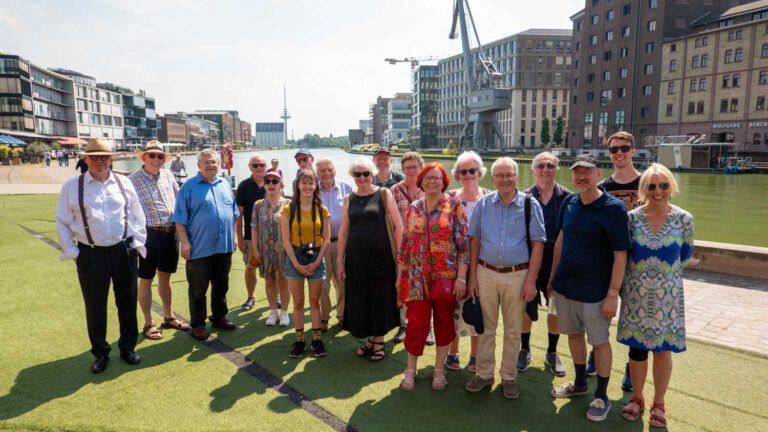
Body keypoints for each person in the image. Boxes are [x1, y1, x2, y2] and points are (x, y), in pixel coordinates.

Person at [548, 154, 631, 422]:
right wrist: (552, 279)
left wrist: (612, 294)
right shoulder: (570, 202)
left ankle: (602, 395)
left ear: (598, 174)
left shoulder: (613, 208)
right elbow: (561, 240)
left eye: (587, 172)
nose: (581, 177)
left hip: (596, 291)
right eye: (576, 172)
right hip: (565, 286)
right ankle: (581, 383)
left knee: (599, 342)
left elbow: (621, 254)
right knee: (573, 335)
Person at [56, 138, 147, 374]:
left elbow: (137, 215)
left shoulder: (124, 183)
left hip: (123, 251)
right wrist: (75, 254)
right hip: (90, 254)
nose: (99, 161)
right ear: (85, 159)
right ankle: (100, 352)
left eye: (104, 156)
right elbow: (62, 223)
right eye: (94, 156)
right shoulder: (71, 186)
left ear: (111, 159)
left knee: (127, 302)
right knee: (95, 306)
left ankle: (127, 347)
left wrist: (136, 243)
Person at [618, 164, 694, 428]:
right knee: (637, 349)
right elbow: (625, 255)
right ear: (644, 189)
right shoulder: (632, 219)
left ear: (671, 185)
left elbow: (684, 255)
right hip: (636, 295)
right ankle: (637, 397)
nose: (658, 191)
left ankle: (659, 402)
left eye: (663, 185)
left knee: (663, 350)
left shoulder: (684, 220)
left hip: (667, 298)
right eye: (651, 186)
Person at [464, 157, 545, 400]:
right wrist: (472, 278)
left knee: (512, 330)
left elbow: (538, 244)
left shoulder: (530, 204)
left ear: (517, 177)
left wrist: (531, 281)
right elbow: (474, 240)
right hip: (485, 272)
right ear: (493, 178)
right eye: (499, 175)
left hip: (517, 275)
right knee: (486, 328)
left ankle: (508, 376)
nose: (505, 179)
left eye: (509, 174)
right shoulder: (483, 204)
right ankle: (484, 373)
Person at [397, 162, 468, 390]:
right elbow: (406, 243)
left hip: (445, 277)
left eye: (436, 178)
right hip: (417, 278)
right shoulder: (414, 208)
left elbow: (463, 246)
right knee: (416, 324)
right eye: (427, 178)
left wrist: (462, 278)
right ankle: (410, 370)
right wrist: (401, 275)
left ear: (444, 181)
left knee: (444, 323)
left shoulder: (455, 206)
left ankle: (439, 370)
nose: (432, 182)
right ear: (420, 181)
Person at [586, 131, 642, 388]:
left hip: (639, 261)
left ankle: (632, 366)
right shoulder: (604, 187)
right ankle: (595, 354)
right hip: (606, 260)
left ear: (633, 150)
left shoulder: (648, 183)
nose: (619, 153)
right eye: (614, 149)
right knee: (600, 309)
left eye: (624, 148)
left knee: (633, 315)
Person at [337, 158, 402, 362]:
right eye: (358, 174)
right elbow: (343, 232)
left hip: (381, 257)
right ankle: (371, 340)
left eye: (366, 173)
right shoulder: (349, 198)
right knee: (361, 297)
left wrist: (400, 257)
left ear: (372, 174)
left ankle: (379, 340)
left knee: (380, 297)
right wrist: (340, 260)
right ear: (353, 177)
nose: (363, 178)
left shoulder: (384, 193)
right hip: (356, 258)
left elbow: (399, 226)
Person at [172, 149, 239, 341]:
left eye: (213, 162)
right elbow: (179, 219)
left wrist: (234, 236)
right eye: (206, 162)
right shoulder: (189, 187)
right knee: (198, 289)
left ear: (219, 163)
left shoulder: (224, 184)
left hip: (224, 247)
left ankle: (219, 317)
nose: (210, 165)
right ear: (199, 165)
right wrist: (184, 242)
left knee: (221, 285)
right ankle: (198, 324)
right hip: (199, 248)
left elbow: (234, 214)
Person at [129, 141, 189, 342]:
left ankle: (168, 316)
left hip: (170, 233)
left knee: (166, 276)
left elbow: (179, 199)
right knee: (146, 278)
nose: (156, 159)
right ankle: (148, 322)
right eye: (152, 155)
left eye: (160, 156)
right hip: (149, 234)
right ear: (144, 157)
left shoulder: (168, 174)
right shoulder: (132, 180)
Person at [519, 152, 572, 377]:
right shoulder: (525, 197)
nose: (546, 169)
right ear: (534, 170)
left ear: (556, 169)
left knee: (555, 307)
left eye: (550, 165)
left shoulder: (568, 198)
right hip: (531, 258)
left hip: (557, 259)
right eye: (541, 165)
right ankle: (524, 348)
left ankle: (551, 352)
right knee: (526, 305)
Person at [446, 150, 491, 373]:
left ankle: (475, 356)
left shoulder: (490, 197)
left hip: (484, 263)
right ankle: (452, 353)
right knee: (453, 308)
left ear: (480, 172)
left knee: (477, 309)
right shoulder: (451, 198)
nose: (468, 175)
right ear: (458, 174)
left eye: (472, 170)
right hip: (455, 264)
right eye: (463, 171)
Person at [280, 169, 331, 358]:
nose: (308, 186)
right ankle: (300, 340)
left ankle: (316, 339)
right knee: (299, 302)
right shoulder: (288, 209)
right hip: (295, 255)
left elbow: (326, 239)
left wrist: (318, 261)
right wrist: (296, 263)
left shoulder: (322, 209)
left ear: (316, 185)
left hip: (316, 255)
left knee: (315, 302)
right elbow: (285, 240)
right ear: (298, 185)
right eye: (304, 182)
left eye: (311, 183)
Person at [390, 151, 426, 344]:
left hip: (427, 247)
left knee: (426, 286)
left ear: (421, 167)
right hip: (403, 246)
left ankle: (426, 327)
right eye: (407, 168)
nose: (411, 171)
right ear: (402, 170)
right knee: (403, 285)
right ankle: (404, 325)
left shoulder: (430, 187)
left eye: (414, 167)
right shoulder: (394, 190)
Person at [316, 157, 353, 330]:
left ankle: (343, 315)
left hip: (341, 242)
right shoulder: (311, 189)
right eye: (322, 170)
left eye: (329, 169)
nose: (326, 173)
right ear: (317, 173)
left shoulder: (347, 188)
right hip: (320, 244)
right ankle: (324, 316)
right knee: (322, 282)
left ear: (335, 170)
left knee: (342, 280)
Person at [251, 169, 292, 326]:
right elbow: (253, 227)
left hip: (284, 250)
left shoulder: (288, 204)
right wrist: (255, 248)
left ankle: (284, 313)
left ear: (281, 184)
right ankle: (273, 311)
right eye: (267, 181)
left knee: (284, 281)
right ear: (263, 184)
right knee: (269, 280)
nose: (271, 184)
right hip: (265, 251)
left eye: (275, 181)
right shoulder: (258, 205)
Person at [236, 155, 267, 311]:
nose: (259, 168)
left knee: (275, 267)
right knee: (250, 267)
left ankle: (277, 297)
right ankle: (250, 297)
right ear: (250, 167)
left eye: (262, 165)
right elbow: (239, 215)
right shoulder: (243, 186)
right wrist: (240, 238)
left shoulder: (273, 183)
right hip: (249, 235)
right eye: (255, 165)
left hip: (272, 237)